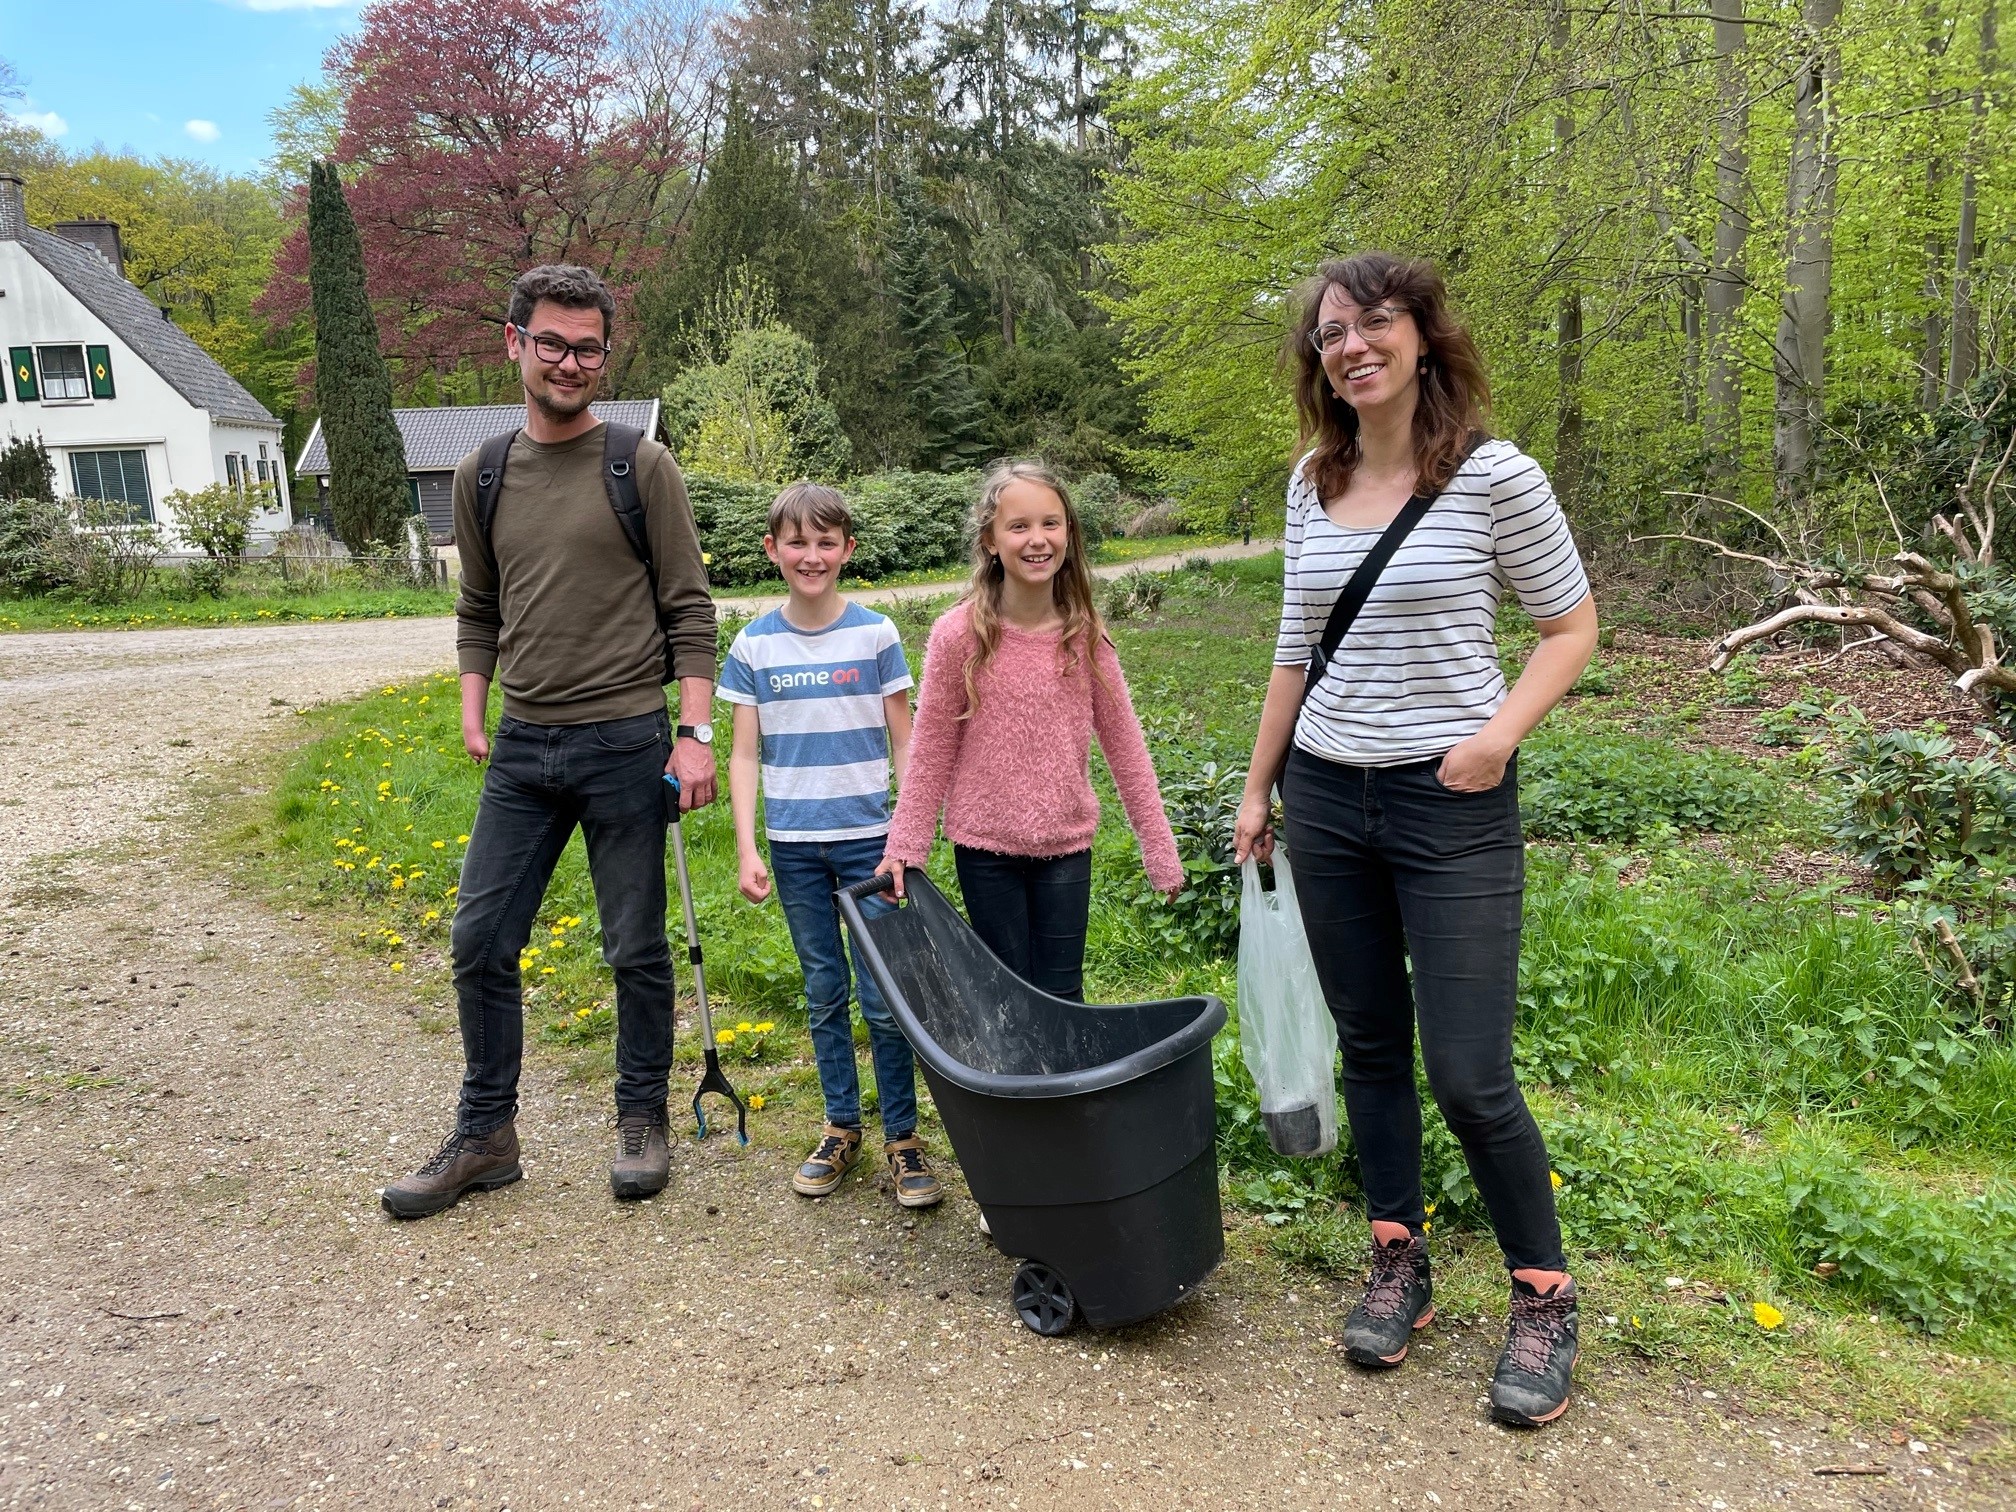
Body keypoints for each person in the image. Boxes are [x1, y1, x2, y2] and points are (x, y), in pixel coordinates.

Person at [1231, 252, 1598, 1427]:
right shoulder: (1311, 479)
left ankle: (1542, 1296)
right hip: (1332, 801)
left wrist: (1495, 741)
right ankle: (1399, 1259)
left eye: (1375, 323)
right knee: (1372, 1050)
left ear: (1424, 339)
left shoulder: (1495, 478)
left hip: (1453, 804)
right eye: (1331, 333)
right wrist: (1259, 789)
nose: (1352, 345)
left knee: (1470, 1073)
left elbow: (1570, 626)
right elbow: (1297, 648)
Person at [382, 264, 719, 1219]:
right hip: (523, 751)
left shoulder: (639, 465)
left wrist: (693, 735)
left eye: (588, 347)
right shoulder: (481, 471)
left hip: (625, 742)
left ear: (604, 355)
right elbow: (479, 605)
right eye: (552, 343)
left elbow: (689, 611)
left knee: (634, 948)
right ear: (514, 343)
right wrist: (471, 707)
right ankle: (486, 1133)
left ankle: (641, 1119)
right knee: (481, 939)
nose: (570, 362)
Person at [879, 460, 1184, 1001]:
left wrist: (1158, 848)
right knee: (1009, 996)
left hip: (1066, 847)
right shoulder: (959, 635)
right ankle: (1015, 1089)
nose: (1037, 540)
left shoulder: (1086, 637)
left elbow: (1126, 748)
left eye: (1051, 523)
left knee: (1064, 995)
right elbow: (930, 750)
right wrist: (906, 846)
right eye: (1018, 526)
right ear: (991, 540)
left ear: (1068, 532)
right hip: (985, 849)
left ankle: (1068, 1089)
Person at [719, 482, 942, 1209]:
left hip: (870, 848)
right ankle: (841, 1124)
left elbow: (905, 737)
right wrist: (747, 845)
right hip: (793, 849)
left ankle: (903, 1137)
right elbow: (745, 754)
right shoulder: (752, 644)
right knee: (823, 991)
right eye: (796, 543)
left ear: (847, 550)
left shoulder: (875, 634)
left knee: (883, 1000)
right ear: (772, 551)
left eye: (825, 542)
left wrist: (907, 833)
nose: (810, 556)